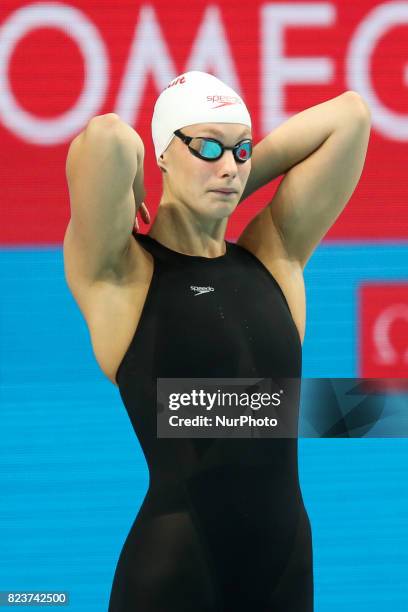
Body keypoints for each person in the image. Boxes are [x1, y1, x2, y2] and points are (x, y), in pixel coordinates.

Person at [64, 71, 313, 611]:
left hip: (286, 569)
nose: (228, 164)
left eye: (241, 150)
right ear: (161, 154)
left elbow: (351, 117)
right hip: (177, 569)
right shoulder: (124, 277)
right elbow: (107, 136)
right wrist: (139, 189)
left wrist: (230, 172)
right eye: (205, 146)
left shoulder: (270, 261)